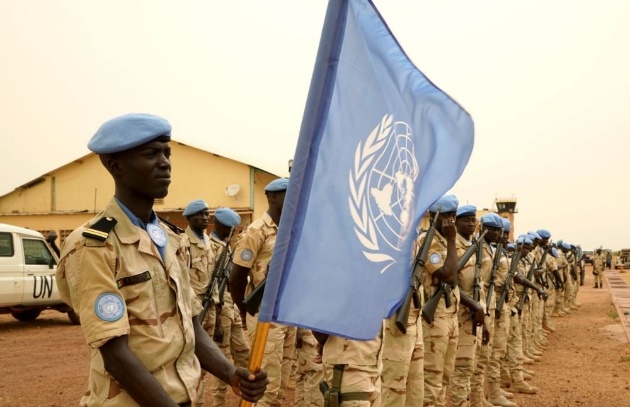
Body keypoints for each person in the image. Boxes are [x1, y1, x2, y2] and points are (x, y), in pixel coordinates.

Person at [55, 113, 267, 407]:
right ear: (115, 165)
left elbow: (189, 325)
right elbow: (116, 356)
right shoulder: (92, 245)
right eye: (151, 154)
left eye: (167, 153)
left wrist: (231, 374)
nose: (165, 162)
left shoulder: (169, 238)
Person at [230, 177, 297, 407]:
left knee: (281, 384)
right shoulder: (256, 230)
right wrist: (245, 311)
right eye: (288, 194)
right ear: (273, 197)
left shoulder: (290, 229)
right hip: (265, 316)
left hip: (287, 314)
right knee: (265, 387)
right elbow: (236, 277)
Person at [418, 194, 462, 407]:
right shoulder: (428, 242)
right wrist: (453, 240)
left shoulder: (444, 241)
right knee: (432, 377)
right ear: (434, 216)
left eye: (453, 216)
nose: (451, 221)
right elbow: (449, 275)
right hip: (435, 319)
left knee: (445, 374)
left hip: (450, 314)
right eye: (446, 216)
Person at [447, 204, 485, 406]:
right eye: (466, 220)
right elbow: (450, 283)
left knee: (471, 366)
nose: (471, 224)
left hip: (473, 317)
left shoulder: (474, 247)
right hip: (459, 315)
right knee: (461, 369)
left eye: (473, 220)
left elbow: (479, 286)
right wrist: (473, 305)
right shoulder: (453, 247)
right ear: (456, 222)